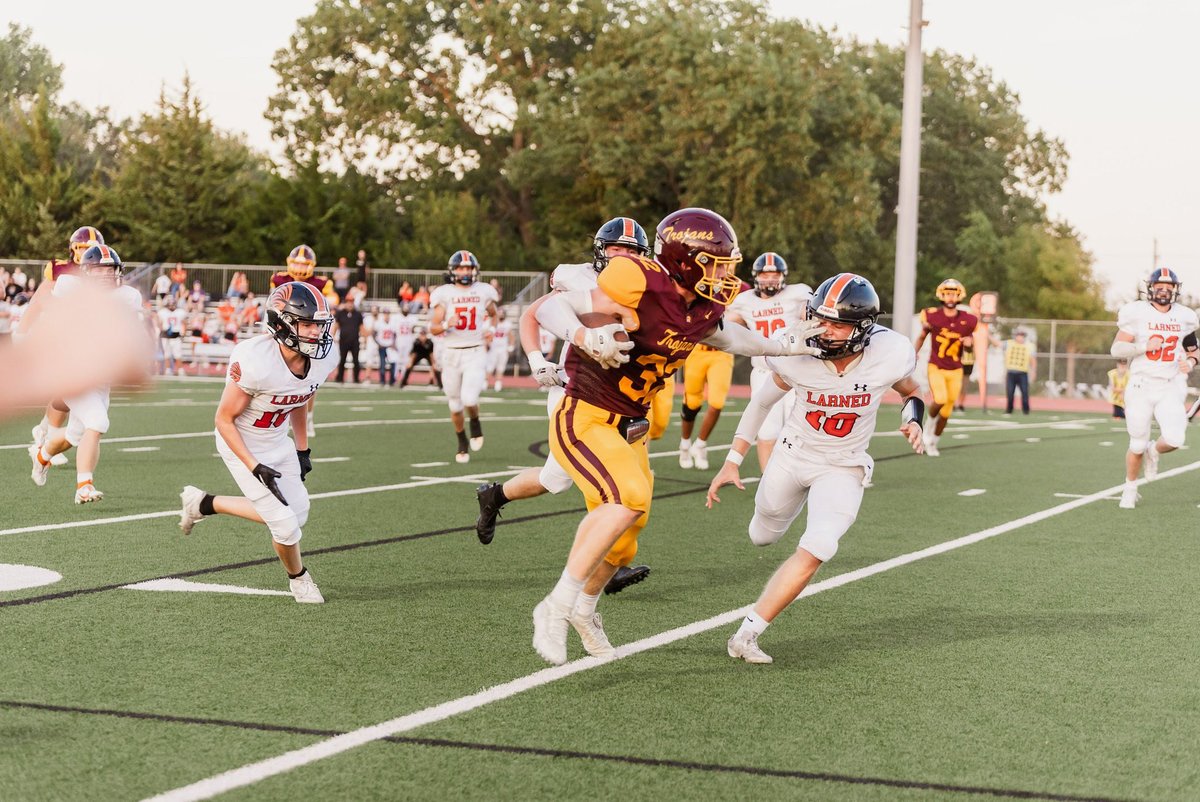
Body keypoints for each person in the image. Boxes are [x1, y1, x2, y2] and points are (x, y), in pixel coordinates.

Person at [528, 207, 824, 665]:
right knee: (624, 498)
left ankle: (585, 609)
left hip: (629, 425)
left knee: (626, 538)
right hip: (585, 412)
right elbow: (548, 306)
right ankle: (555, 605)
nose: (727, 275)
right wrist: (584, 337)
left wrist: (785, 345)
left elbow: (730, 338)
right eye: (718, 265)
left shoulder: (703, 306)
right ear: (686, 260)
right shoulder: (639, 278)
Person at [708, 273, 925, 664]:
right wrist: (732, 460)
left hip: (843, 465)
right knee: (762, 536)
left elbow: (912, 391)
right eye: (819, 318)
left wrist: (915, 420)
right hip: (792, 457)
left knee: (821, 544)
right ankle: (775, 521)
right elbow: (760, 403)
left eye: (837, 323)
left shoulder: (887, 353)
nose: (824, 330)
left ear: (862, 328)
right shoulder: (796, 353)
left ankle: (747, 634)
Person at [474, 217, 655, 595]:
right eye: (616, 249)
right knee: (604, 478)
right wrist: (538, 360)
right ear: (600, 251)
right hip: (576, 390)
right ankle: (609, 560)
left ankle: (494, 496)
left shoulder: (649, 285)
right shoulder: (578, 278)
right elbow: (531, 314)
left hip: (621, 395)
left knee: (553, 479)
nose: (622, 257)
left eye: (631, 251)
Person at [177, 282, 337, 603]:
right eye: (306, 324)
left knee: (299, 512)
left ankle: (204, 503)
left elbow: (300, 399)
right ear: (282, 324)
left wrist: (302, 449)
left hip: (277, 440)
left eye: (318, 325)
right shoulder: (255, 359)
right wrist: (254, 466)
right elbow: (223, 420)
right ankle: (299, 579)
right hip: (242, 443)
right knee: (285, 525)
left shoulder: (322, 358)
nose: (316, 333)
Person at [30, 245, 144, 503]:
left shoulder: (127, 296)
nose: (106, 275)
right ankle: (84, 486)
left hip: (100, 379)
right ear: (86, 272)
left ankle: (41, 456)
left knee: (74, 436)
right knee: (98, 422)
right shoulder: (71, 287)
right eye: (100, 270)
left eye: (110, 270)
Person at [1109, 267, 1199, 509]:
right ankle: (1130, 488)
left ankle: (1154, 451)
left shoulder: (1184, 316)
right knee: (1136, 444)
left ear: (1176, 290)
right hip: (1140, 385)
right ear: (1150, 288)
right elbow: (1116, 350)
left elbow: (1193, 350)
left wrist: (1189, 363)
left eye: (1169, 288)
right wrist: (1145, 347)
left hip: (1169, 385)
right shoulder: (1136, 313)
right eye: (1160, 287)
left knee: (1175, 438)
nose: (1164, 291)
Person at [21, 226, 105, 469]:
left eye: (90, 249)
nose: (86, 253)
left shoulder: (100, 271)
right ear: (72, 250)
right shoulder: (60, 269)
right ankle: (47, 436)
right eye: (81, 249)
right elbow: (39, 300)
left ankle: (45, 431)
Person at [726, 252, 812, 470]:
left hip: (796, 371)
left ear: (783, 276)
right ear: (756, 276)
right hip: (764, 372)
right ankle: (768, 479)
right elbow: (724, 324)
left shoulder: (797, 293)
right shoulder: (745, 301)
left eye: (774, 275)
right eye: (765, 275)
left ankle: (803, 474)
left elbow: (808, 311)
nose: (770, 279)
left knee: (802, 427)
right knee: (766, 431)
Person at [429, 250, 499, 463]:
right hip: (451, 353)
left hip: (475, 350)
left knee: (469, 398)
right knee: (454, 404)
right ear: (453, 270)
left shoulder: (483, 291)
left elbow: (494, 315)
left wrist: (491, 331)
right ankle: (461, 440)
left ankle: (475, 421)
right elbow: (433, 327)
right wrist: (444, 325)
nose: (465, 271)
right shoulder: (444, 294)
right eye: (461, 268)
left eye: (468, 268)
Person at [272, 245, 338, 437]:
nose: (300, 267)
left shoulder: (322, 282)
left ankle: (307, 416)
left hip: (308, 332)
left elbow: (332, 301)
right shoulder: (279, 279)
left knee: (308, 377)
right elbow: (273, 304)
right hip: (285, 329)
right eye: (297, 263)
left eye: (304, 264)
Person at [913, 279, 978, 456]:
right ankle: (927, 427)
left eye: (953, 293)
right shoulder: (931, 315)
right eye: (947, 292)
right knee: (939, 399)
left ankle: (934, 441)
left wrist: (969, 344)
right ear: (941, 294)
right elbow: (922, 336)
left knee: (947, 411)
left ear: (959, 295)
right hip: (937, 365)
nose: (950, 296)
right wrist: (912, 353)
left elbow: (970, 346)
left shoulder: (968, 319)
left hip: (956, 368)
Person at [1003, 329, 1036, 415]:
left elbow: (1033, 360)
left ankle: (1026, 411)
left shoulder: (1029, 346)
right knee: (1010, 392)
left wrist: (1033, 371)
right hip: (1011, 372)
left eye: (1022, 336)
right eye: (1019, 335)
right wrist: (987, 334)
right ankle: (1009, 410)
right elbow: (997, 344)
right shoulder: (1009, 343)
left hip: (1023, 373)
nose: (1020, 338)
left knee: (1025, 392)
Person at [333, 296, 365, 383]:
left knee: (356, 360)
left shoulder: (357, 314)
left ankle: (356, 378)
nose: (350, 304)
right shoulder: (341, 313)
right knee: (342, 359)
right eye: (348, 302)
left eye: (351, 302)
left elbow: (361, 327)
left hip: (355, 341)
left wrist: (365, 339)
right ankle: (339, 378)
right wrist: (332, 336)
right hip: (343, 341)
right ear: (345, 302)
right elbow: (336, 326)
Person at [369, 306, 399, 386]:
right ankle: (382, 380)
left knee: (393, 363)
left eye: (387, 313)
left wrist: (393, 343)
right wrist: (378, 343)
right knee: (382, 364)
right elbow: (373, 334)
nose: (386, 315)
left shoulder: (393, 323)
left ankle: (392, 380)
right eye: (385, 313)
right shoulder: (379, 323)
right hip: (382, 346)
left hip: (390, 346)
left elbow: (395, 334)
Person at [486, 309, 514, 392]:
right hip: (493, 348)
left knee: (500, 367)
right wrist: (487, 344)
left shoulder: (507, 324)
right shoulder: (492, 323)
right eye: (499, 314)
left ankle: (498, 384)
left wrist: (511, 345)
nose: (500, 315)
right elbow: (487, 334)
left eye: (502, 314)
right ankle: (485, 382)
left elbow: (511, 336)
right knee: (490, 367)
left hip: (503, 349)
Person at [158, 296, 186, 375]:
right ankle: (167, 369)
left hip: (176, 335)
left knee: (178, 354)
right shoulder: (163, 312)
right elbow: (159, 323)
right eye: (169, 304)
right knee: (167, 354)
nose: (171, 305)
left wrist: (183, 333)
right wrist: (161, 330)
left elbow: (184, 323)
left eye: (172, 304)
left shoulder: (180, 312)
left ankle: (180, 370)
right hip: (165, 335)